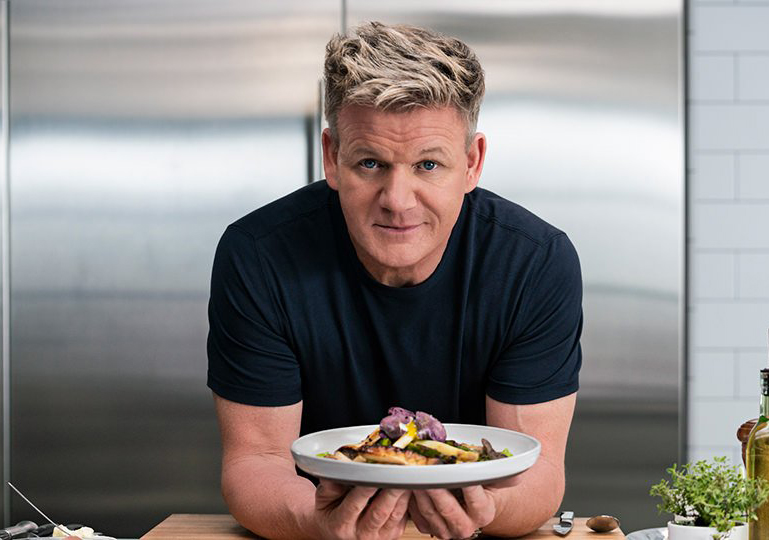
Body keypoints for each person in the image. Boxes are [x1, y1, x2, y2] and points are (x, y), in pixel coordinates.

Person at [207, 21, 582, 540]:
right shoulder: (258, 256)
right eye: (370, 163)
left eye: (428, 164)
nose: (397, 201)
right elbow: (257, 461)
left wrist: (485, 511)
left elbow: (536, 473)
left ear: (472, 163)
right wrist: (321, 521)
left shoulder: (534, 263)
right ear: (332, 157)